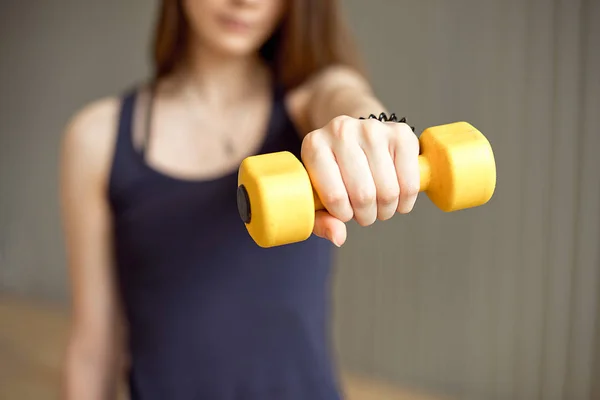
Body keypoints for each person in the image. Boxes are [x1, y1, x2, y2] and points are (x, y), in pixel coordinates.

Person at [59, 0, 420, 399]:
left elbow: (342, 94)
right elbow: (94, 350)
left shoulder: (306, 106)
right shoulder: (97, 139)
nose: (245, 1)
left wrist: (367, 125)